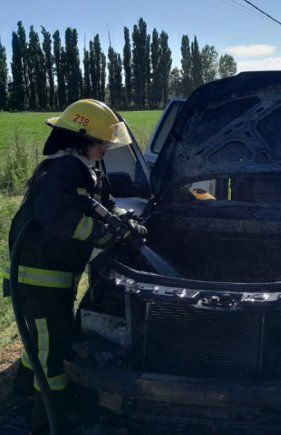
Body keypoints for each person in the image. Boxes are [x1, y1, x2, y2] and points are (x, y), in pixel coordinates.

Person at [4, 99, 146, 427]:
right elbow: (57, 219)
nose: (107, 149)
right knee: (51, 345)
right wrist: (103, 235)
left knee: (42, 337)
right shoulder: (65, 169)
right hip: (39, 276)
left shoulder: (86, 169)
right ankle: (51, 412)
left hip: (54, 275)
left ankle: (23, 387)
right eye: (102, 143)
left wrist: (129, 221)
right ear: (81, 138)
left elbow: (106, 205)